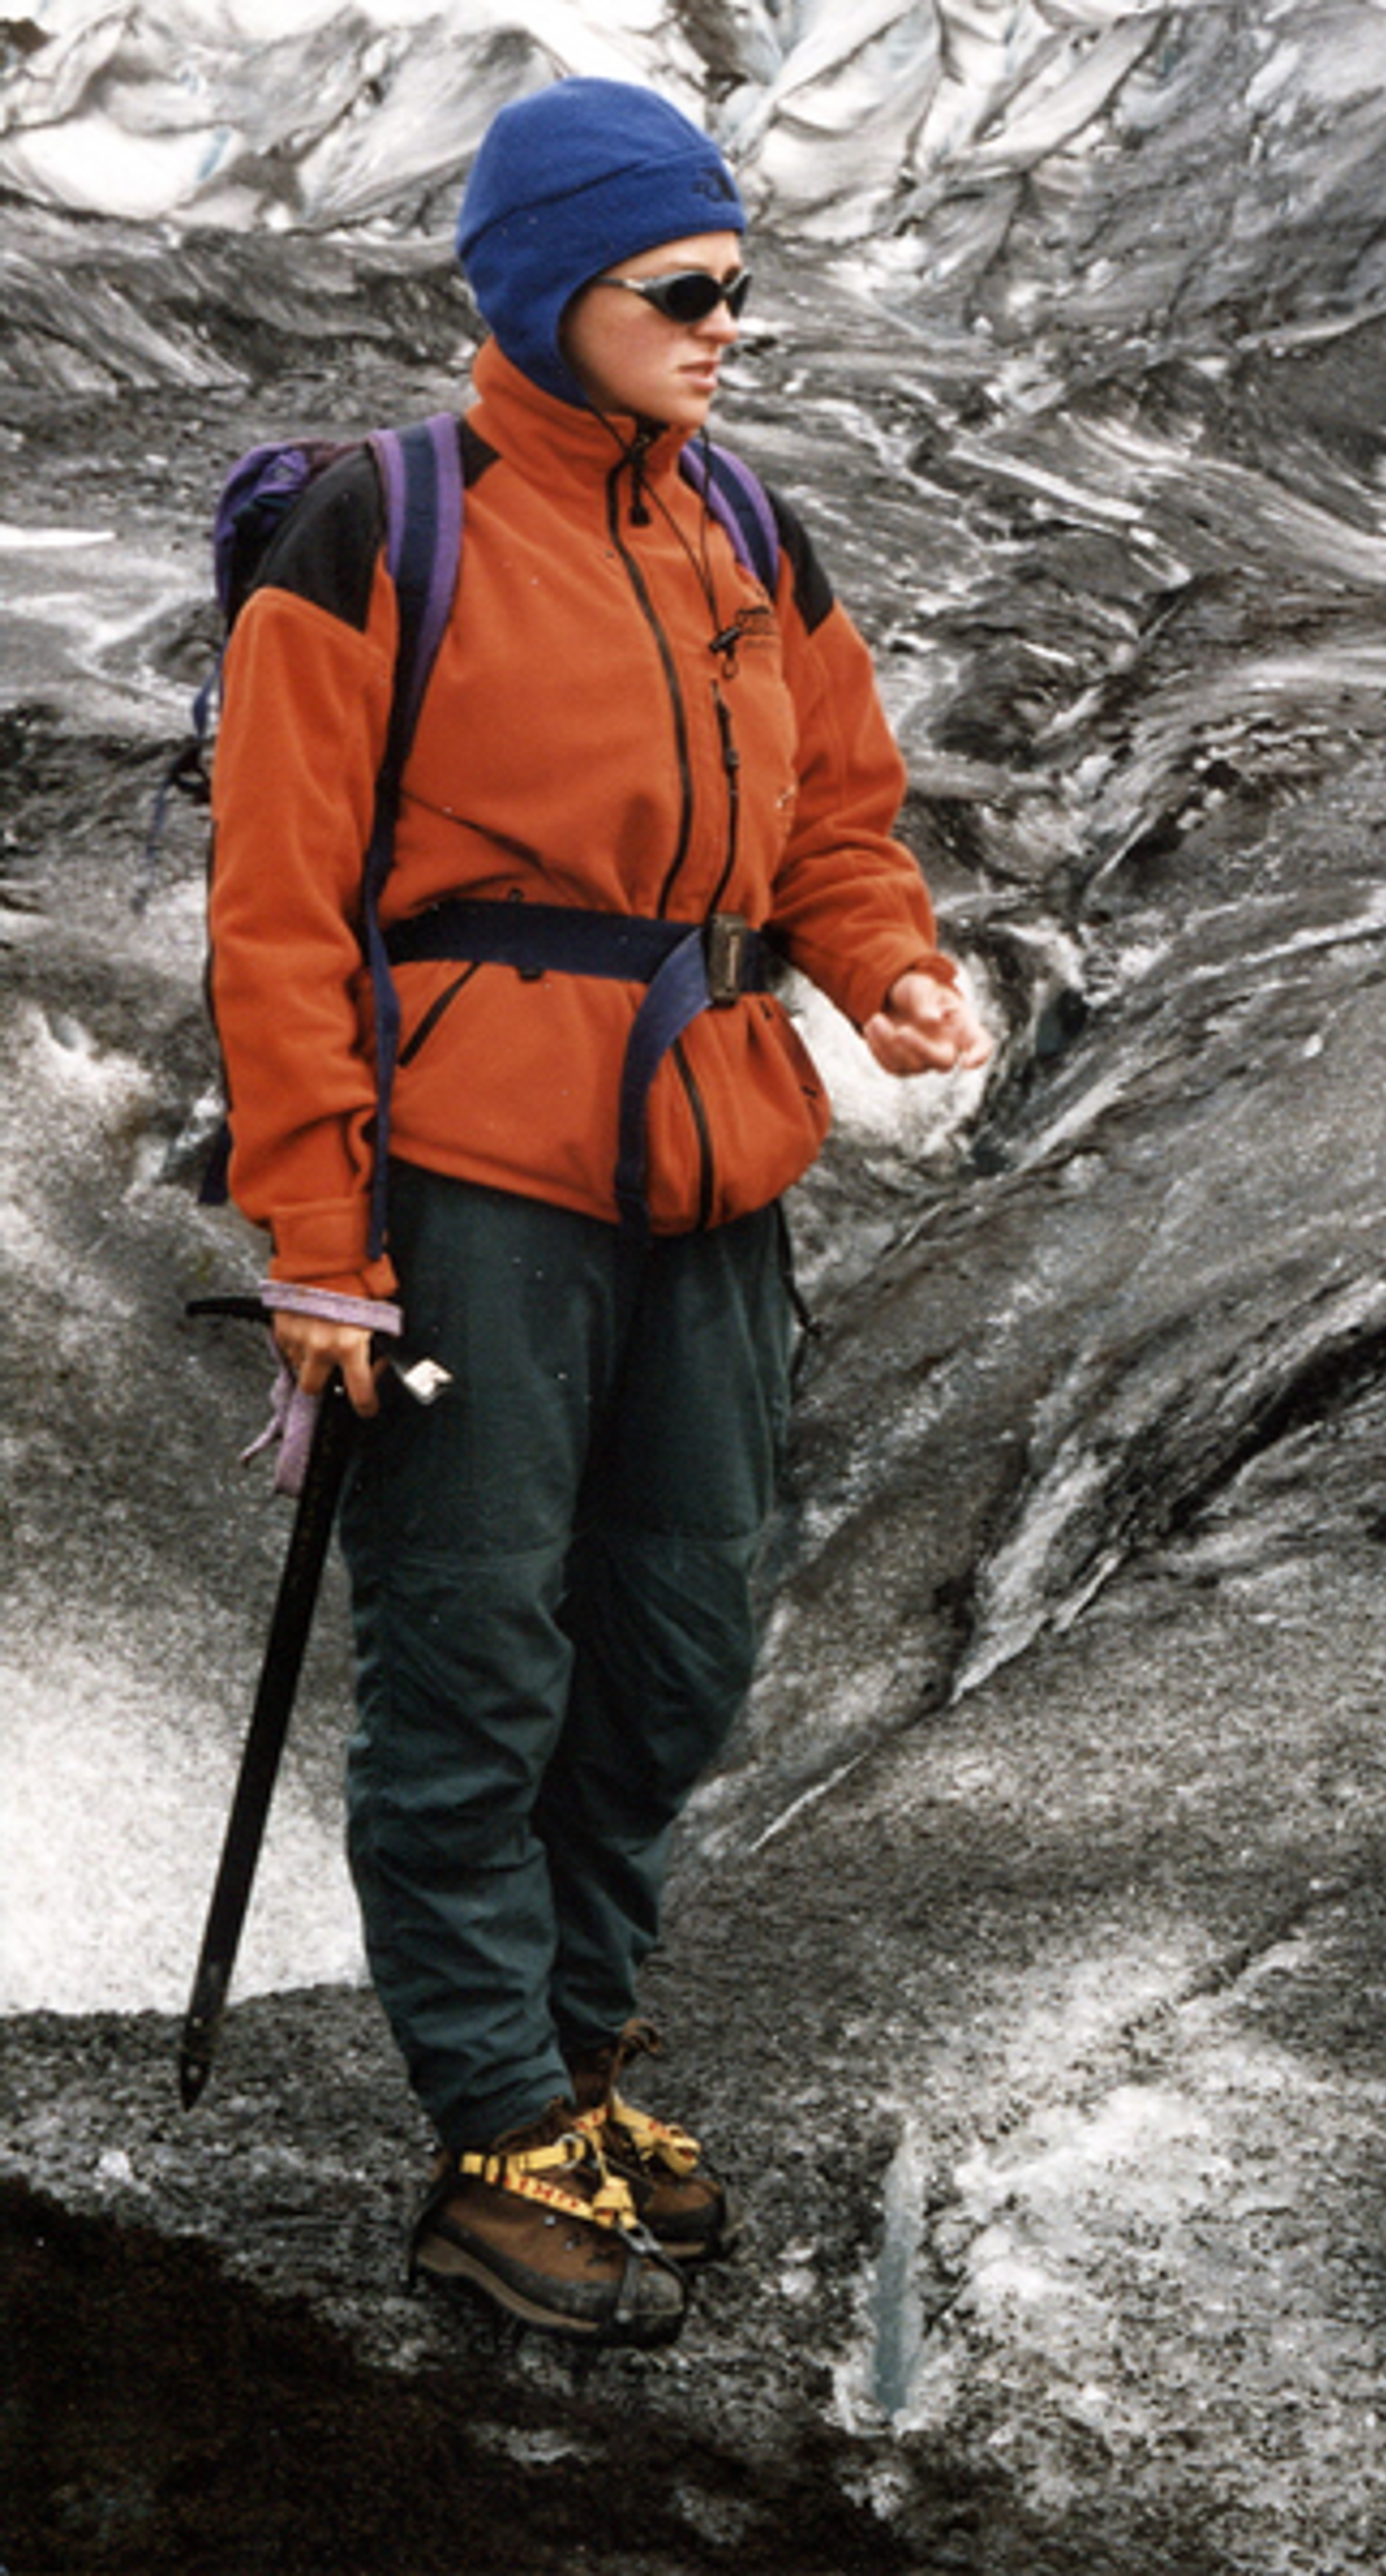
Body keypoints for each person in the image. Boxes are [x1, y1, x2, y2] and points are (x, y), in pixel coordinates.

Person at [206, 74, 990, 2349]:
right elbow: (277, 917)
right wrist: (320, 1241)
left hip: (713, 1156)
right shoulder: (377, 533)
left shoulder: (749, 526)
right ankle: (492, 2133)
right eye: (684, 288)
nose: (730, 323)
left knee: (678, 1639)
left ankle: (580, 2051)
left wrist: (893, 966)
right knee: (475, 1654)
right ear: (554, 288)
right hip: (471, 1183)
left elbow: (836, 812)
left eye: (743, 284)